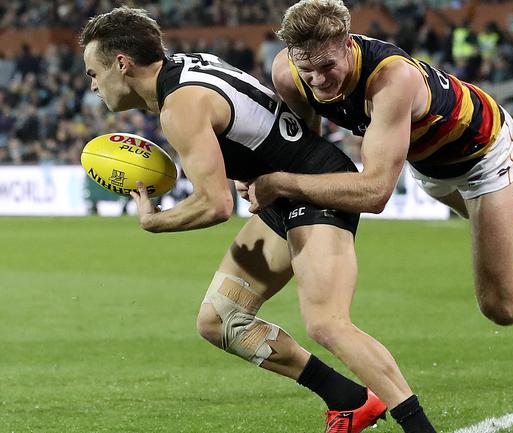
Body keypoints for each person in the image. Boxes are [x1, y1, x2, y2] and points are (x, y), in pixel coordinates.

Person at [80, 6, 437, 433]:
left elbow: (215, 205)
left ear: (123, 63)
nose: (94, 85)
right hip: (284, 193)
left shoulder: (180, 107)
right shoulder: (187, 68)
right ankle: (349, 400)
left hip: (315, 188)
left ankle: (421, 429)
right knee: (221, 320)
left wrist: (156, 221)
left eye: (93, 72)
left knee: (327, 322)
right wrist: (259, 172)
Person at [247, 0, 513, 358]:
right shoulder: (287, 73)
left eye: (327, 66)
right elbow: (306, 150)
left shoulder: (390, 80)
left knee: (500, 305)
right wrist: (250, 173)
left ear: (348, 44)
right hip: (425, 162)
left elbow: (375, 193)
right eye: (308, 70)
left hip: (480, 150)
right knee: (476, 209)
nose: (318, 80)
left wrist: (279, 184)